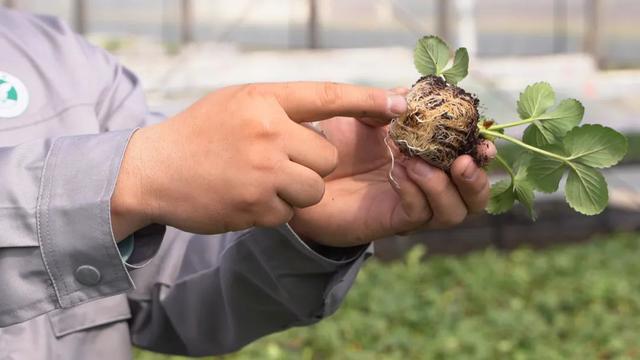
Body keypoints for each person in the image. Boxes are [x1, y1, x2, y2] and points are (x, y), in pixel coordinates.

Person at [0, 7, 495, 359]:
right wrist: (130, 178)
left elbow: (168, 286)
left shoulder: (59, 57)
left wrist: (302, 228)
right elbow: (150, 175)